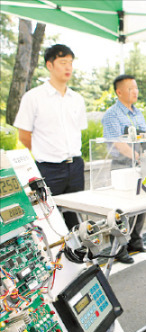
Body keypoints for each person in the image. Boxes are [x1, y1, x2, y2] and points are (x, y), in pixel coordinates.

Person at [14, 44, 87, 231]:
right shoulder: (33, 97)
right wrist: (45, 152)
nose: (68, 67)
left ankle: (78, 257)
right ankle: (56, 260)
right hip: (49, 169)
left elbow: (78, 131)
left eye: (70, 63)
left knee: (76, 217)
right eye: (63, 62)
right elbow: (24, 136)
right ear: (49, 65)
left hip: (76, 166)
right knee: (49, 219)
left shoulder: (76, 99)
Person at [101, 74, 146, 264]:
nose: (135, 92)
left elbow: (144, 137)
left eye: (136, 88)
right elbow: (117, 144)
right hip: (122, 165)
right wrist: (139, 157)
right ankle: (119, 249)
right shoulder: (112, 115)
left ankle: (136, 242)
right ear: (119, 92)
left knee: (142, 205)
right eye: (131, 88)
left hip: (140, 163)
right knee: (122, 210)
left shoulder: (138, 113)